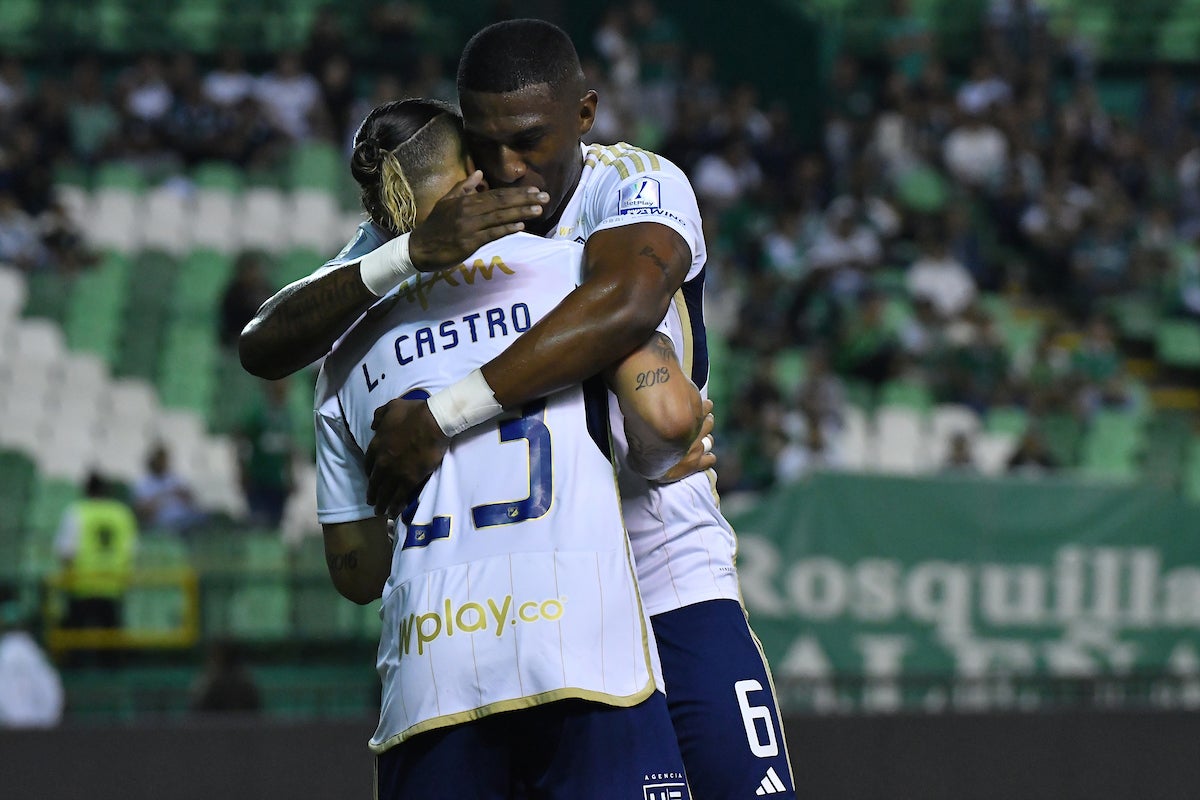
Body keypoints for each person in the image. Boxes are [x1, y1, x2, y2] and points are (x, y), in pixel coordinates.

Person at [241, 19, 794, 799]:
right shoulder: (448, 213)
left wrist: (440, 417)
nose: (505, 165)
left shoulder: (633, 181)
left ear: (586, 115)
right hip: (522, 606)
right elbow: (267, 339)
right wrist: (406, 252)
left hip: (664, 567)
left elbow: (626, 300)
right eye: (486, 141)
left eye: (529, 139)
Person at [315, 98, 696, 799]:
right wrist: (661, 448)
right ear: (473, 179)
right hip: (584, 654)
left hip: (431, 680)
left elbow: (358, 573)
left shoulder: (343, 349)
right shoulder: (571, 271)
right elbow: (667, 413)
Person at [55, 473, 139, 633]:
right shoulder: (122, 513)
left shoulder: (77, 512)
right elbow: (132, 551)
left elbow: (66, 553)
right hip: (114, 586)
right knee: (111, 641)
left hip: (82, 585)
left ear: (86, 490)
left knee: (77, 640)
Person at [0, 604, 64, 729]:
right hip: (40, 728)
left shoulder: (7, 652)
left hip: (8, 732)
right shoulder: (37, 655)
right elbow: (51, 692)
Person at [131, 444, 208, 534]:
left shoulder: (175, 478)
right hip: (164, 523)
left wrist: (183, 494)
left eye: (165, 460)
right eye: (160, 460)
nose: (163, 463)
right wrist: (160, 498)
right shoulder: (142, 483)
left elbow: (193, 499)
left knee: (205, 517)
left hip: (185, 516)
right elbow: (141, 511)